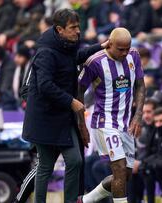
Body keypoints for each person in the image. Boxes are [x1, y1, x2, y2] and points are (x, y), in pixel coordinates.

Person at [21, 9, 108, 203]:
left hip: (63, 117)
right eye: (73, 28)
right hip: (44, 118)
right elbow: (44, 85)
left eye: (78, 26)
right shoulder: (45, 52)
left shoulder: (66, 46)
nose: (78, 31)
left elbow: (77, 56)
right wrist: (71, 102)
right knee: (45, 167)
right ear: (60, 30)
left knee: (75, 160)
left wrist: (101, 46)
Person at [77, 27, 146, 203]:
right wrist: (81, 123)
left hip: (126, 124)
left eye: (127, 48)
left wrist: (138, 115)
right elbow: (78, 91)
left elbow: (140, 85)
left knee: (125, 175)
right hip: (104, 122)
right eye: (120, 49)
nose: (124, 53)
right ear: (110, 44)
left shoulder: (134, 55)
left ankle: (86, 200)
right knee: (120, 170)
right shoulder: (95, 62)